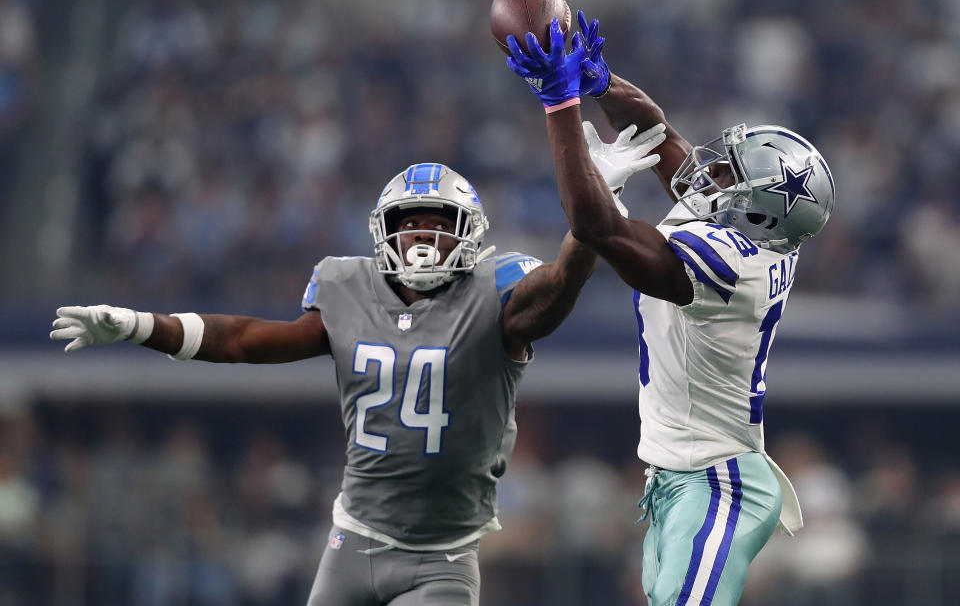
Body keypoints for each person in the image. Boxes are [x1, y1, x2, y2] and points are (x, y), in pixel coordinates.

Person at [48, 158, 666, 606]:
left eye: (439, 223)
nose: (423, 237)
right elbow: (245, 340)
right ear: (383, 230)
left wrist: (593, 212)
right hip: (352, 544)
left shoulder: (494, 293)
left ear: (470, 234)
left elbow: (558, 289)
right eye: (411, 223)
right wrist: (139, 324)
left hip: (441, 560)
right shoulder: (348, 286)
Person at [503, 13, 835, 606]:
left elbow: (596, 227)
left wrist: (561, 108)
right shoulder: (749, 229)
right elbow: (660, 137)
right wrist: (601, 82)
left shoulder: (733, 263)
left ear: (757, 210)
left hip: (718, 485)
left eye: (732, 173)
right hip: (679, 482)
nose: (712, 171)